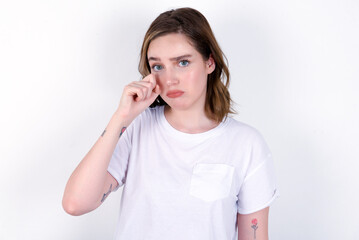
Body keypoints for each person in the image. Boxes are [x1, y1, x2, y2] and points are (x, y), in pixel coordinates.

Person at [62, 7, 279, 240]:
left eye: (183, 62)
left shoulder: (247, 145)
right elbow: (76, 204)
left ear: (209, 63)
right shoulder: (136, 128)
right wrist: (120, 118)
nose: (170, 79)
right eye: (158, 66)